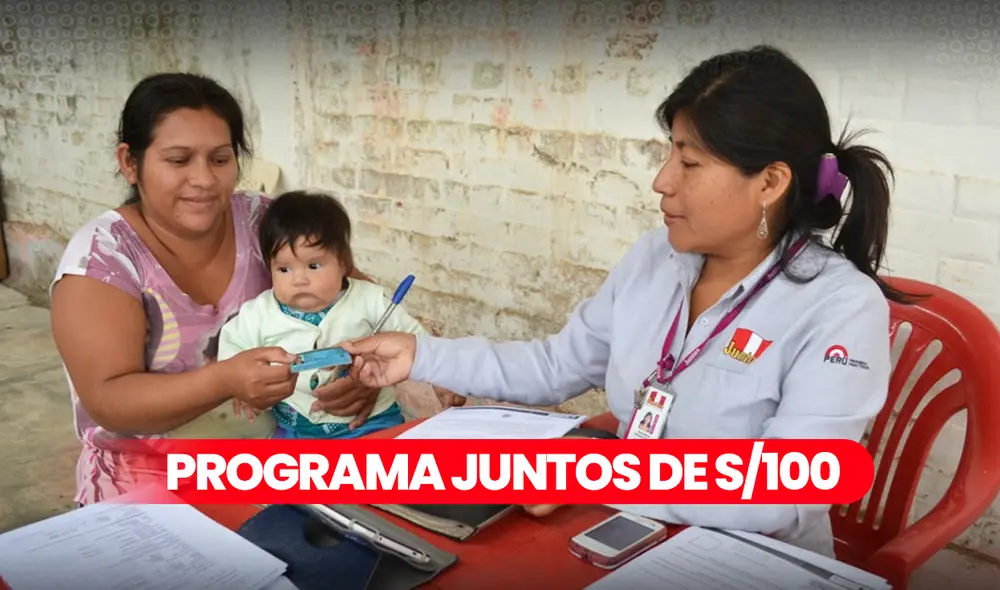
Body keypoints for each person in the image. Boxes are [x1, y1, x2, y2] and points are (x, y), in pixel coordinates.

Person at [336, 45, 920, 557]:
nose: (662, 181)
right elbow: (555, 366)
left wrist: (594, 478)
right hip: (622, 532)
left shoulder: (839, 307)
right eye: (670, 153)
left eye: (689, 162)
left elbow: (782, 491)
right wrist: (419, 356)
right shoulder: (655, 259)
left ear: (770, 182)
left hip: (745, 561)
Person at [47, 73, 461, 505]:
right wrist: (225, 379)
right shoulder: (102, 261)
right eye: (178, 160)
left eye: (220, 159)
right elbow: (108, 401)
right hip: (149, 484)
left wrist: (364, 371)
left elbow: (351, 296)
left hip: (280, 464)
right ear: (130, 163)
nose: (204, 179)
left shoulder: (262, 221)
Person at [217, 190, 462, 439]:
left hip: (370, 423)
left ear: (344, 263)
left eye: (313, 266)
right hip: (295, 428)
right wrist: (240, 388)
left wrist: (442, 381)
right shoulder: (258, 313)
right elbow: (233, 349)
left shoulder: (370, 300)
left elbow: (418, 342)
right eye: (284, 269)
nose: (299, 279)